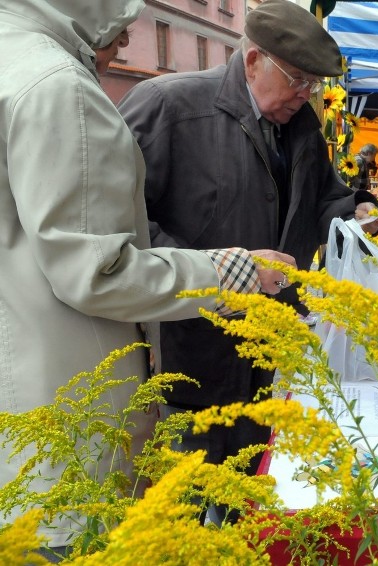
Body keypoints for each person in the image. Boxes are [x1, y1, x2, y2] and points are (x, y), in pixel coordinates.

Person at [0, 0, 295, 552]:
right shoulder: (60, 85)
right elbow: (98, 270)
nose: (126, 44)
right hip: (68, 425)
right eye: (121, 26)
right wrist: (235, 271)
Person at [117, 0, 378, 521]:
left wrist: (358, 208)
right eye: (298, 79)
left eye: (314, 85)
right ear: (253, 58)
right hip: (190, 354)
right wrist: (218, 268)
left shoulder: (301, 124)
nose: (305, 94)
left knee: (249, 503)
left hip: (269, 354)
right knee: (183, 513)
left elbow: (320, 198)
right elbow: (119, 226)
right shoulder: (169, 106)